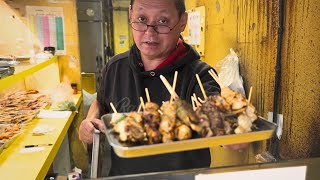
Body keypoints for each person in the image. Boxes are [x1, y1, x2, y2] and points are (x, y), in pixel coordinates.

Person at [79, 0, 246, 176]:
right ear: (130, 15)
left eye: (163, 21)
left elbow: (217, 120)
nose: (150, 32)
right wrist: (89, 122)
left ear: (182, 22)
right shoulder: (115, 67)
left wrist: (231, 135)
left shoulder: (201, 77)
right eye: (142, 18)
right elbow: (101, 102)